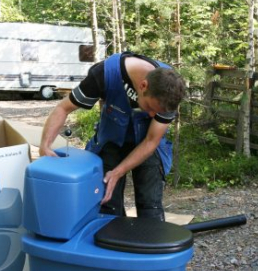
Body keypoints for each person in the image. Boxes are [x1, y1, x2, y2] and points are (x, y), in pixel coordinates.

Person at [39, 51, 186, 221]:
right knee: (107, 202)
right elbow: (63, 108)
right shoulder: (103, 75)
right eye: (150, 107)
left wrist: (119, 172)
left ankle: (149, 244)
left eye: (158, 112)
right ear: (143, 85)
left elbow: (151, 141)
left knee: (150, 205)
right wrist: (45, 145)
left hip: (148, 144)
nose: (153, 115)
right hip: (112, 138)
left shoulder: (170, 93)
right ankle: (111, 243)